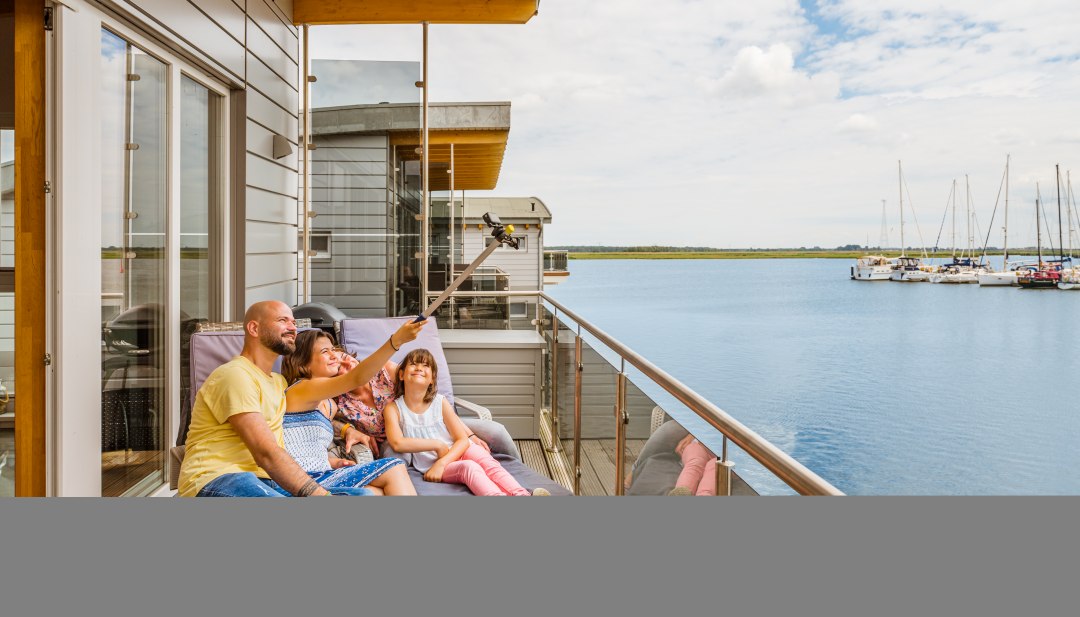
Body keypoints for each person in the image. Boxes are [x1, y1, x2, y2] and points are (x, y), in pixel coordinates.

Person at [176, 300, 424, 497]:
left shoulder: (277, 384)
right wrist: (396, 341)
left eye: (294, 322)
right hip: (219, 477)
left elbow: (296, 422)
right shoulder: (235, 375)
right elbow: (267, 452)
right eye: (283, 320)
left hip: (268, 480)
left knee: (365, 496)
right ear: (254, 328)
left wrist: (344, 428)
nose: (293, 327)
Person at [383, 348, 548, 496]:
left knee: (485, 459)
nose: (419, 367)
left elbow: (462, 440)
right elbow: (397, 443)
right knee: (469, 468)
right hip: (432, 465)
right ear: (401, 374)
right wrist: (436, 446)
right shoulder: (393, 409)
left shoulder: (440, 402)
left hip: (455, 452)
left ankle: (521, 494)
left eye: (426, 366)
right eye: (413, 364)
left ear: (432, 379)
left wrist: (443, 461)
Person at [279, 330, 416, 495]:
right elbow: (356, 378)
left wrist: (332, 460)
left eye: (333, 350)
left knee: (376, 493)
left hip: (323, 473)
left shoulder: (330, 405)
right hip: (297, 480)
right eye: (325, 352)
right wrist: (395, 341)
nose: (335, 356)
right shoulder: (300, 389)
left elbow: (305, 444)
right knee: (394, 467)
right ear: (303, 363)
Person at [331, 350, 520, 461]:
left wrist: (468, 435)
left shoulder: (385, 369)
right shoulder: (339, 402)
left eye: (344, 355)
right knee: (394, 462)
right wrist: (347, 429)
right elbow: (324, 419)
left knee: (497, 432)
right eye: (339, 366)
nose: (347, 362)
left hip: (433, 423)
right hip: (395, 439)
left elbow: (431, 397)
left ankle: (521, 477)